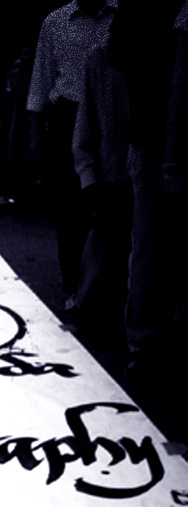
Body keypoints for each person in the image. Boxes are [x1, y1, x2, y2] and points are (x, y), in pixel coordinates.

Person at [106, 0, 186, 374]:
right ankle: (145, 339)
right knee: (149, 241)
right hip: (152, 132)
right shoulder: (143, 1)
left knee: (153, 242)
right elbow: (116, 52)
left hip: (156, 128)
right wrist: (166, 71)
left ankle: (155, 334)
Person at [26, 0, 118, 311]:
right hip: (68, 112)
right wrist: (36, 134)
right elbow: (41, 79)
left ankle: (106, 285)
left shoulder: (119, 16)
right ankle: (73, 286)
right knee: (69, 205)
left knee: (111, 198)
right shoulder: (56, 21)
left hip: (111, 116)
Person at [71, 32, 132, 338]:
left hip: (129, 172)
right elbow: (84, 128)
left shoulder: (171, 52)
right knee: (108, 246)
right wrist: (90, 177)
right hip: (113, 174)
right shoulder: (100, 57)